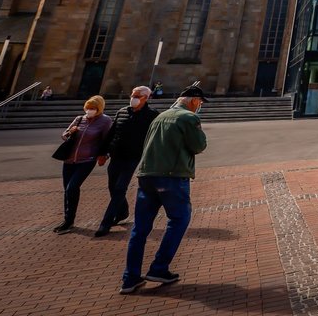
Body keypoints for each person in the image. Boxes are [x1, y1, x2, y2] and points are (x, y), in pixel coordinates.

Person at [119, 85, 208, 295]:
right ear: (194, 100)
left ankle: (130, 278)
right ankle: (159, 268)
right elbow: (199, 146)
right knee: (179, 220)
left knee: (140, 229)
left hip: (146, 176)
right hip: (171, 177)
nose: (200, 106)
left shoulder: (160, 117)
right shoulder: (188, 118)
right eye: (201, 102)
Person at [95, 85, 158, 237]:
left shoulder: (152, 115)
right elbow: (111, 133)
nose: (133, 98)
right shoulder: (122, 112)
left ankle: (106, 223)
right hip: (116, 155)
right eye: (132, 95)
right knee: (112, 186)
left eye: (137, 96)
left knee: (120, 188)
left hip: (133, 157)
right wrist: (103, 152)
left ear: (146, 98)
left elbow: (154, 138)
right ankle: (123, 211)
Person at [53, 95, 112, 234]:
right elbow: (64, 135)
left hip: (87, 160)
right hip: (69, 159)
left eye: (93, 108)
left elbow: (107, 140)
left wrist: (104, 155)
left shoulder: (105, 121)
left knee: (72, 187)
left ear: (99, 108)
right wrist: (70, 132)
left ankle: (69, 220)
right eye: (88, 107)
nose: (89, 110)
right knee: (67, 190)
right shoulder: (80, 119)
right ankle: (68, 219)